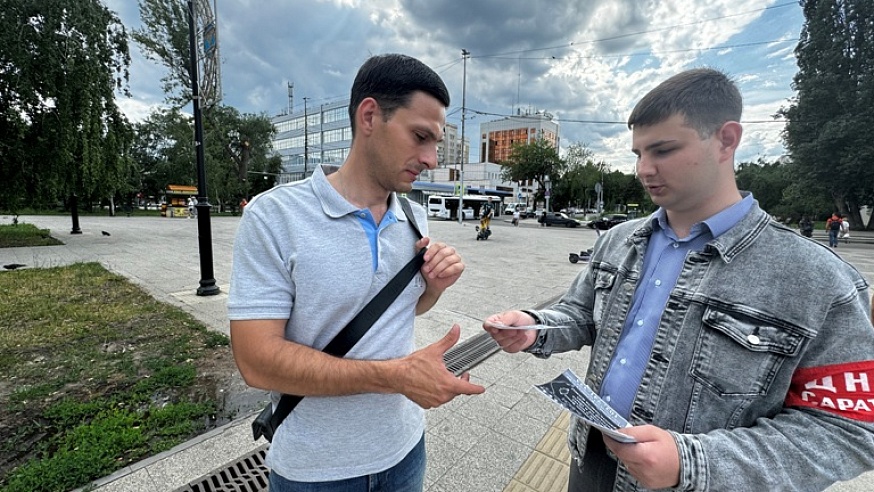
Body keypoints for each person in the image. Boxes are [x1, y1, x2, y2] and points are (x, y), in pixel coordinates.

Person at [484, 68, 874, 491]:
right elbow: (581, 313)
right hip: (593, 456)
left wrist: (694, 462)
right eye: (638, 153)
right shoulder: (618, 241)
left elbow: (848, 432)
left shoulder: (818, 281)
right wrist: (534, 325)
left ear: (727, 140)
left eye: (663, 150)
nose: (643, 169)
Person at [227, 53, 484, 492]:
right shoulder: (275, 216)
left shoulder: (415, 216)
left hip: (405, 450)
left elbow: (400, 311)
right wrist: (395, 376)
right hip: (315, 470)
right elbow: (256, 362)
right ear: (369, 116)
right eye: (421, 136)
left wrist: (433, 288)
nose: (430, 159)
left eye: (436, 143)